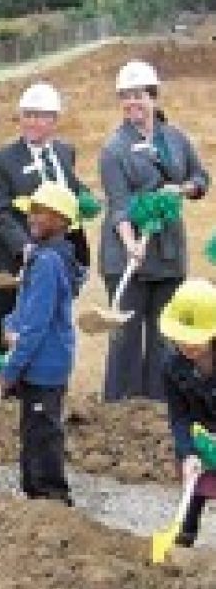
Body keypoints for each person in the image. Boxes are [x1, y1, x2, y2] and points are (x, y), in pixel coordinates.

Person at [99, 60, 209, 402]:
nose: (132, 102)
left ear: (153, 96)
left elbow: (201, 179)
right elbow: (118, 204)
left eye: (139, 95)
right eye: (125, 96)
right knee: (126, 338)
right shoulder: (113, 149)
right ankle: (120, 406)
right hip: (127, 256)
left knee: (164, 335)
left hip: (168, 252)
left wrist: (185, 189)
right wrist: (131, 243)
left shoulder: (175, 139)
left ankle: (162, 405)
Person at [0, 82, 92, 352]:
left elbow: (70, 189)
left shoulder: (65, 153)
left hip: (58, 260)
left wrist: (85, 198)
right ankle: (8, 390)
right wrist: (24, 247)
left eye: (40, 115)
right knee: (12, 331)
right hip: (14, 264)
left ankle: (47, 387)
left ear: (54, 120)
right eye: (27, 115)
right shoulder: (2, 161)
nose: (32, 122)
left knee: (51, 324)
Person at [0, 183, 86, 504]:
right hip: (36, 361)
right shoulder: (39, 257)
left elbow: (37, 323)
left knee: (43, 431)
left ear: (62, 221)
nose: (33, 218)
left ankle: (52, 494)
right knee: (32, 429)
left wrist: (12, 367)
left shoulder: (49, 262)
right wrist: (10, 325)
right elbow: (24, 308)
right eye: (32, 212)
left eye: (42, 213)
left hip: (45, 363)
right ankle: (32, 492)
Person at [160, 279, 215, 548]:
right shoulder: (172, 364)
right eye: (181, 338)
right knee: (194, 479)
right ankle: (185, 533)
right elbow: (179, 415)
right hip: (200, 430)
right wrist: (189, 451)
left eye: (195, 339)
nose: (187, 345)